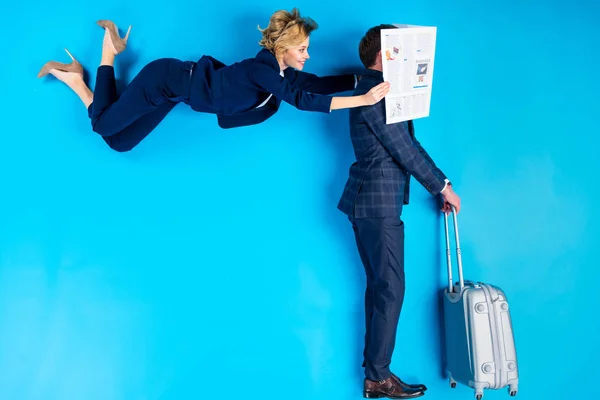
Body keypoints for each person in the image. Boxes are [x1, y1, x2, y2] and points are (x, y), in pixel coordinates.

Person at [37, 9, 390, 152]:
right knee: (102, 127)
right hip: (164, 79)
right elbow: (301, 100)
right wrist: (362, 100)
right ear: (283, 47)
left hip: (174, 95)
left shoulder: (280, 73)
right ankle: (107, 52)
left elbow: (314, 86)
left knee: (119, 142)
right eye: (303, 48)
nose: (307, 55)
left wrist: (364, 78)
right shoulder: (262, 70)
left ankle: (78, 81)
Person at [337, 24, 462, 399]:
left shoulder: (379, 91)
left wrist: (443, 183)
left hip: (372, 202)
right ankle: (377, 377)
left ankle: (375, 372)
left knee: (382, 288)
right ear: (386, 52)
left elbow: (409, 145)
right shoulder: (374, 93)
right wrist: (441, 187)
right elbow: (403, 151)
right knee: (390, 288)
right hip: (374, 203)